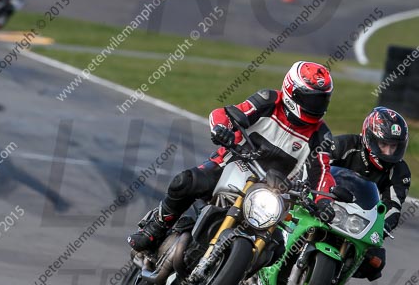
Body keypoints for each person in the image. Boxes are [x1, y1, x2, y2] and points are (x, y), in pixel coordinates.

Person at [128, 61, 338, 254]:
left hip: (272, 191)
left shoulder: (321, 135)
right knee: (185, 182)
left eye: (322, 99)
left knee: (276, 250)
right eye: (311, 98)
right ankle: (156, 226)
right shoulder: (269, 101)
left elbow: (322, 173)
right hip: (233, 163)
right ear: (292, 91)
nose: (316, 105)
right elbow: (227, 113)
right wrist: (222, 128)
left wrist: (324, 201)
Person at [330, 106, 411, 281]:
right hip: (325, 204)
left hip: (357, 222)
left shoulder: (400, 171)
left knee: (376, 262)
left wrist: (381, 227)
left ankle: (329, 284)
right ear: (370, 138)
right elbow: (315, 165)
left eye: (394, 147)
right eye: (383, 145)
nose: (389, 152)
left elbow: (394, 206)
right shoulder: (344, 145)